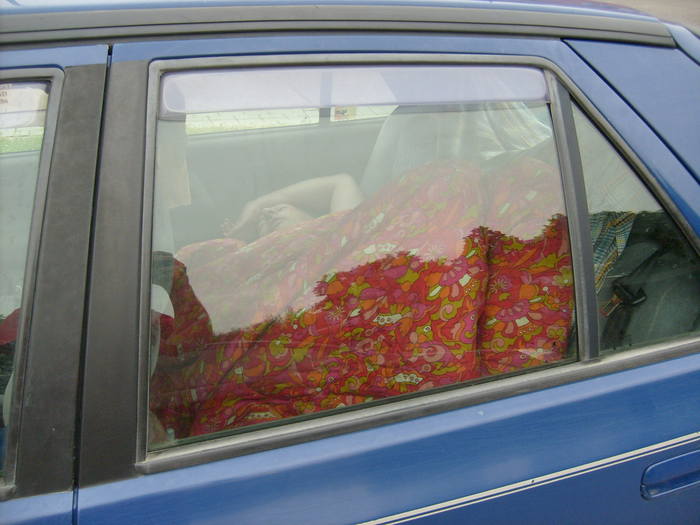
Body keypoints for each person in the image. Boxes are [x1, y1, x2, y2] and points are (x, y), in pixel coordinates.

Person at [149, 157, 575, 443]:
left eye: (273, 216)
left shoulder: (353, 224)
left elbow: (340, 182)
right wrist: (286, 235)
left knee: (455, 181)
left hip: (374, 261)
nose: (270, 219)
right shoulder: (307, 243)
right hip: (309, 296)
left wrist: (266, 204)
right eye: (266, 222)